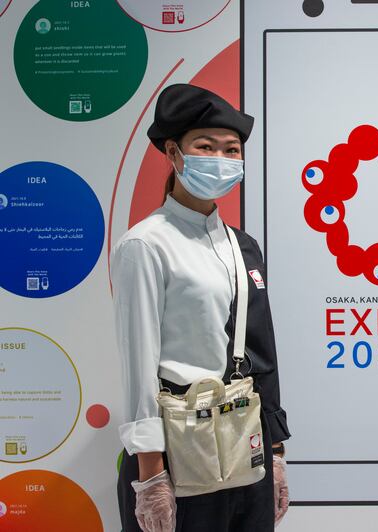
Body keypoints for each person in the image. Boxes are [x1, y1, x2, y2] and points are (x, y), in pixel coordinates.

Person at [111, 84, 291, 532]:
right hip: (177, 450)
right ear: (173, 152)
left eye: (232, 150)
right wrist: (150, 476)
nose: (221, 159)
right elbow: (140, 365)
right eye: (205, 147)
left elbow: (261, 354)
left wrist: (276, 452)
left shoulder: (242, 246)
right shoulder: (146, 244)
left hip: (243, 446)